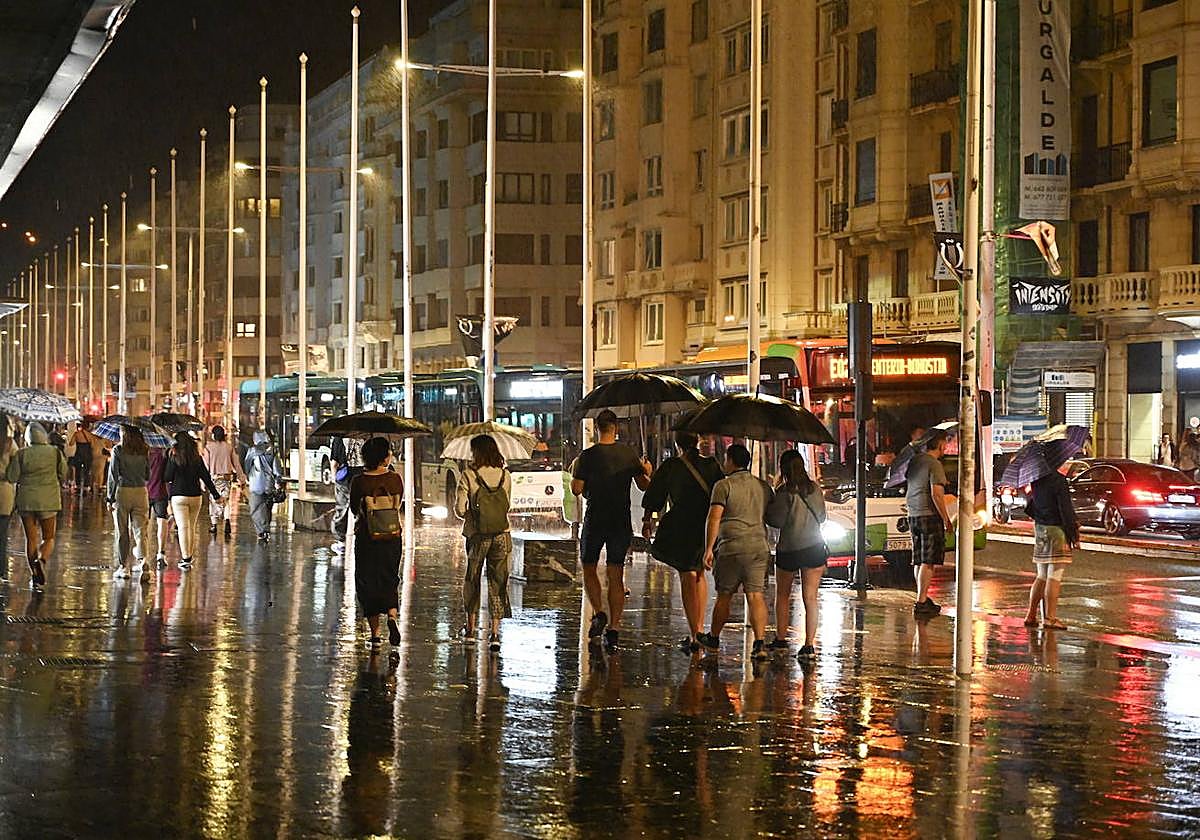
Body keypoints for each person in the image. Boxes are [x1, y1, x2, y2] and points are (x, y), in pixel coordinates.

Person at [570, 409, 652, 651]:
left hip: (595, 518)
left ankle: (599, 612)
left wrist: (578, 471)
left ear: (597, 427)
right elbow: (644, 485)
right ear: (616, 428)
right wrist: (646, 470)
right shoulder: (628, 454)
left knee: (589, 567)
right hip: (620, 519)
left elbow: (576, 489)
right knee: (616, 575)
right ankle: (614, 629)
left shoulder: (587, 456)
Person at [640, 431, 724, 653]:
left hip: (683, 525)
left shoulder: (671, 466)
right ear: (697, 441)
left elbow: (655, 495)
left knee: (688, 575)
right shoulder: (713, 466)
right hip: (707, 525)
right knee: (699, 574)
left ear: (677, 444)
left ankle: (695, 634)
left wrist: (647, 520)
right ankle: (699, 629)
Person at [696, 443, 774, 660]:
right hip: (759, 548)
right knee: (756, 595)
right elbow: (772, 513)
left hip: (732, 547)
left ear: (730, 461)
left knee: (724, 595)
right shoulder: (763, 486)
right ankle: (759, 644)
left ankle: (713, 638)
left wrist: (708, 549)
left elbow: (714, 518)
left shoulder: (723, 486)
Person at [765, 450, 827, 661]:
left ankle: (781, 639)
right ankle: (809, 645)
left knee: (782, 595)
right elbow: (822, 516)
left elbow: (776, 520)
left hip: (789, 548)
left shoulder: (784, 492)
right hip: (814, 547)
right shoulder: (815, 489)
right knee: (810, 598)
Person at [453, 434, 513, 651]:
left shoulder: (468, 475)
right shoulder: (506, 475)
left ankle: (470, 630)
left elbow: (460, 510)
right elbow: (507, 505)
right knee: (498, 581)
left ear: (476, 452)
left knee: (473, 579)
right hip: (501, 534)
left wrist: (472, 513)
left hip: (477, 535)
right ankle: (495, 633)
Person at [350, 437, 405, 647]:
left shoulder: (359, 481)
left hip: (366, 538)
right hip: (392, 538)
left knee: (367, 581)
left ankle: (375, 634)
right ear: (385, 457)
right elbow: (397, 505)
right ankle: (392, 615)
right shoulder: (395, 480)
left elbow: (355, 510)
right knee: (389, 577)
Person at [7, 422, 68, 591]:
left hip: (26, 500)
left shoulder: (21, 453)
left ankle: (34, 574)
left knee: (31, 539)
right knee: (49, 538)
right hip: (49, 500)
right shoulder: (54, 453)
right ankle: (41, 561)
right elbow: (64, 473)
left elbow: (12, 477)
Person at [1023, 460, 1079, 630]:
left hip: (1040, 529)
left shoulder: (1036, 480)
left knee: (1041, 575)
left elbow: (1032, 504)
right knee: (1054, 576)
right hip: (1057, 530)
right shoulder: (1059, 481)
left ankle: (1031, 615)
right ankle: (1050, 618)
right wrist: (1074, 534)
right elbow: (1066, 510)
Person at [905, 429, 952, 615]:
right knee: (929, 560)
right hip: (929, 515)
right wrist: (946, 519)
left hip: (913, 514)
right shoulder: (934, 464)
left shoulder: (915, 461)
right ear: (940, 445)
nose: (946, 447)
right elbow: (937, 495)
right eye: (945, 443)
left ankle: (921, 596)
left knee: (919, 559)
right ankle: (921, 601)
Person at [166, 432, 222, 569]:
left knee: (183, 528)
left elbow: (166, 476)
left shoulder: (174, 457)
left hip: (178, 497)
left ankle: (186, 558)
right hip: (195, 497)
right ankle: (188, 557)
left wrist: (170, 457)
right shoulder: (197, 458)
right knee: (190, 527)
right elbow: (206, 478)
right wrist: (216, 495)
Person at [107, 425, 151, 584]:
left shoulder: (118, 450)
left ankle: (123, 567)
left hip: (123, 492)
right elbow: (148, 474)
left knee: (122, 531)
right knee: (141, 530)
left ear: (124, 434)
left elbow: (113, 475)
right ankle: (142, 560)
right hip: (141, 492)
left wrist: (109, 497)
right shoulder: (144, 450)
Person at [203, 425, 245, 538]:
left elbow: (205, 467)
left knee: (213, 501)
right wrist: (242, 479)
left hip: (213, 479)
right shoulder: (229, 447)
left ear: (213, 435)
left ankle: (214, 525)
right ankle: (227, 521)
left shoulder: (208, 448)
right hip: (226, 478)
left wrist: (203, 482)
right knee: (226, 501)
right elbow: (236, 464)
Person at [244, 431, 283, 542]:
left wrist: (248, 476)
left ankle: (262, 531)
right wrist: (277, 481)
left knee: (255, 508)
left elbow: (247, 465)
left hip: (256, 484)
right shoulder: (273, 451)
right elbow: (277, 469)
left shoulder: (252, 450)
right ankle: (266, 528)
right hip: (269, 484)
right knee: (267, 508)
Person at [330, 435, 362, 554]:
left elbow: (334, 462)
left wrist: (334, 478)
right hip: (361, 475)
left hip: (344, 477)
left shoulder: (339, 438)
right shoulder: (364, 436)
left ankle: (341, 542)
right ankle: (360, 538)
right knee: (360, 509)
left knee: (342, 508)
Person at [146, 445, 172, 567]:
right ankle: (161, 553)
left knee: (142, 524)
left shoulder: (143, 453)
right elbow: (168, 476)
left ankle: (142, 554)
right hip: (160, 492)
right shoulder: (164, 455)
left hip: (144, 492)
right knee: (162, 521)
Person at [0, 415, 16, 581]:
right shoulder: (10, 444)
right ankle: (1, 569)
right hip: (4, 492)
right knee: (2, 534)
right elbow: (15, 471)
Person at [70, 422, 94, 494]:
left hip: (79, 454)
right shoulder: (90, 435)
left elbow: (71, 443)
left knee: (78, 470)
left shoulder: (77, 434)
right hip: (87, 455)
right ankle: (86, 487)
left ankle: (78, 486)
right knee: (87, 471)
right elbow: (92, 446)